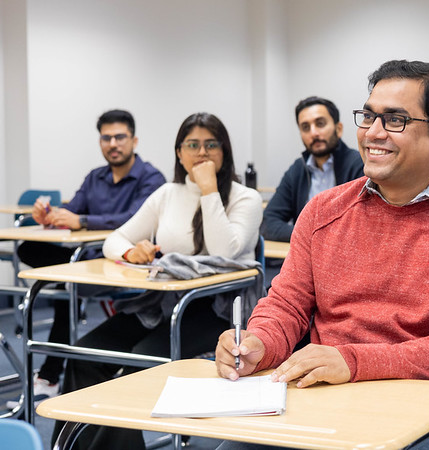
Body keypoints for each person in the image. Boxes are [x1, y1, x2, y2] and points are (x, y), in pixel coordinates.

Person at [215, 60, 429, 450]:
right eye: (369, 116)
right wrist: (259, 342)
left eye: (395, 121)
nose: (373, 133)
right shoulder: (323, 211)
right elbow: (286, 304)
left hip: (424, 418)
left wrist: (353, 363)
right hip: (318, 402)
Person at [51, 112, 263, 449]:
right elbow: (114, 239)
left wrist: (209, 189)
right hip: (163, 304)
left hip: (216, 311)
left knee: (139, 363)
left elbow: (227, 254)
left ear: (225, 151)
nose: (202, 152)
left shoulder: (245, 198)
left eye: (211, 144)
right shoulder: (167, 194)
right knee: (84, 354)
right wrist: (131, 253)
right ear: (179, 153)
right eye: (192, 144)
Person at [15, 109, 165, 402]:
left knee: (65, 284)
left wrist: (82, 222)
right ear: (100, 142)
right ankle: (51, 373)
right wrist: (49, 216)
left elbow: (133, 219)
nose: (113, 143)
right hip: (89, 258)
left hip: (128, 262)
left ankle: (50, 374)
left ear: (134, 140)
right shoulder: (95, 177)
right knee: (30, 249)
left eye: (120, 137)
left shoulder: (151, 178)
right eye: (106, 137)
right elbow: (74, 210)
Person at [261, 96, 364, 242]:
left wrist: (308, 235)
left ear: (338, 128)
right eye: (305, 127)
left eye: (320, 124)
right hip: (306, 256)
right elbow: (269, 223)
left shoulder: (359, 165)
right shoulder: (297, 170)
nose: (313, 133)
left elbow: (361, 228)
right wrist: (311, 236)